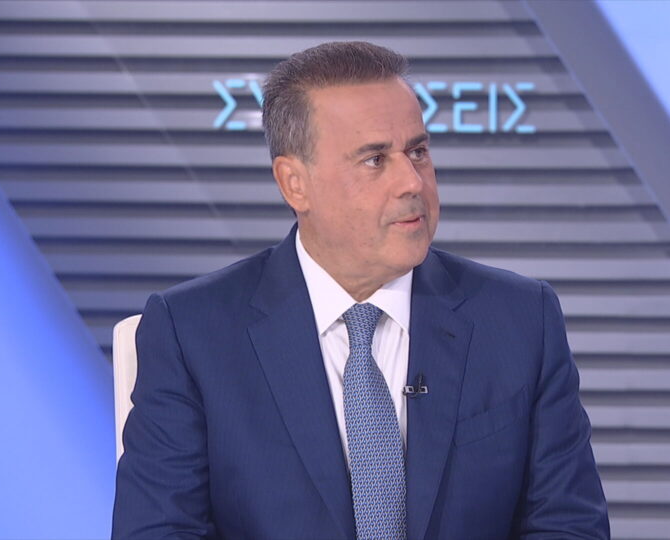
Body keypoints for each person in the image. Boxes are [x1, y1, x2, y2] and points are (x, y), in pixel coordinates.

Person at [112, 41, 609, 539]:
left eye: (418, 152)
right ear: (294, 183)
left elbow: (569, 526)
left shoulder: (520, 320)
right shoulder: (193, 334)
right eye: (374, 160)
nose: (412, 182)